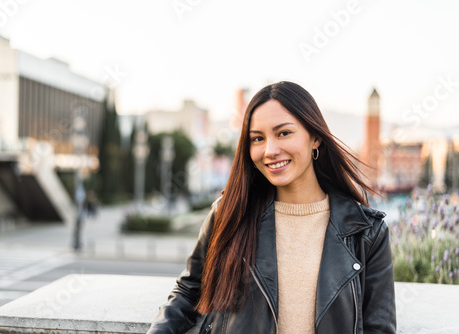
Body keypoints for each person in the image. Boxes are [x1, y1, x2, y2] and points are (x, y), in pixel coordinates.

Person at [147, 81, 396, 334]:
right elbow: (189, 292)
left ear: (316, 138)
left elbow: (378, 328)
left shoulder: (367, 233)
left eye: (283, 133)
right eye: (257, 138)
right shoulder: (230, 213)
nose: (269, 150)